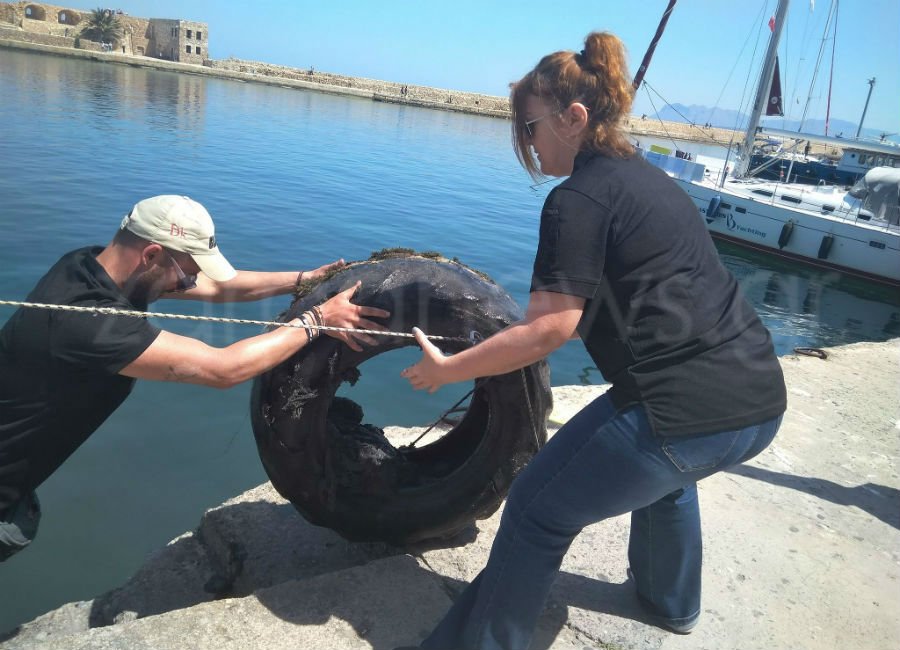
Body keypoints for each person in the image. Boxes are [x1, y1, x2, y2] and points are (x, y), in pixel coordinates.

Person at [400, 32, 786, 649]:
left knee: (535, 510)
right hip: (759, 403)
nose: (524, 143)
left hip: (682, 414)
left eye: (528, 128)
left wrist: (449, 369)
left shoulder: (576, 200)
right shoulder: (651, 181)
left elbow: (550, 330)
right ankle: (671, 603)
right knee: (668, 477)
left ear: (573, 118)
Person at [0, 194, 389, 561]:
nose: (189, 285)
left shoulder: (86, 264)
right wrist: (318, 321)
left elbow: (221, 287)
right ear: (152, 255)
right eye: (187, 274)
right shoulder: (91, 325)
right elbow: (222, 369)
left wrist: (304, 279)